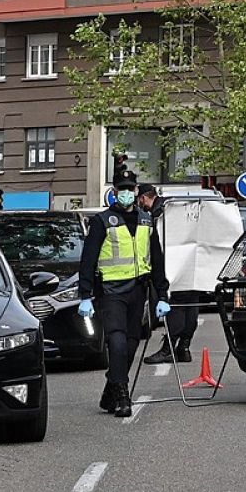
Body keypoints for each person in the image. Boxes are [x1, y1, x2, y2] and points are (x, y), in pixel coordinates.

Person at [78, 174, 169, 416]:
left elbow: (156, 259)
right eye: (122, 189)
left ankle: (110, 391)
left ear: (137, 191)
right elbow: (88, 259)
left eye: (130, 189)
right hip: (111, 291)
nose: (126, 193)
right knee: (116, 341)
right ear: (115, 191)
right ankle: (122, 396)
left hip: (138, 290)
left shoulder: (146, 221)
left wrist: (162, 295)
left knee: (130, 344)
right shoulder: (103, 221)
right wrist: (85, 294)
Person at [139, 182, 195, 365]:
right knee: (190, 303)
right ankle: (184, 348)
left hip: (169, 266)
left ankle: (168, 349)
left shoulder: (158, 213)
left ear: (143, 197)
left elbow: (158, 246)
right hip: (188, 264)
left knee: (176, 305)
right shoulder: (172, 207)